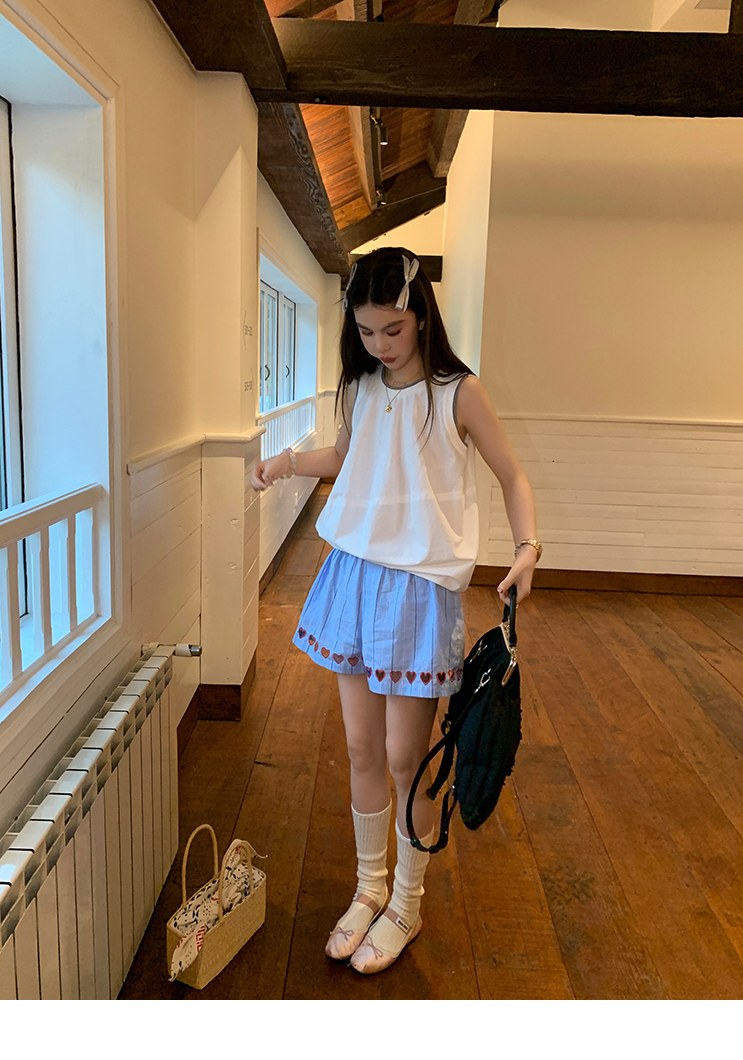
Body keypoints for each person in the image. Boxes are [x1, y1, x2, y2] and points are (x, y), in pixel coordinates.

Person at [251, 247, 540, 975]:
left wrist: (528, 547)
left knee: (406, 759)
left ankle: (406, 903)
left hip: (419, 589)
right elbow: (346, 458)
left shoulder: (459, 393)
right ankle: (369, 887)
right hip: (353, 577)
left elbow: (512, 475)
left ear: (421, 316)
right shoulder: (361, 387)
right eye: (366, 330)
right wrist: (286, 462)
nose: (380, 343)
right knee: (359, 748)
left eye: (393, 329)